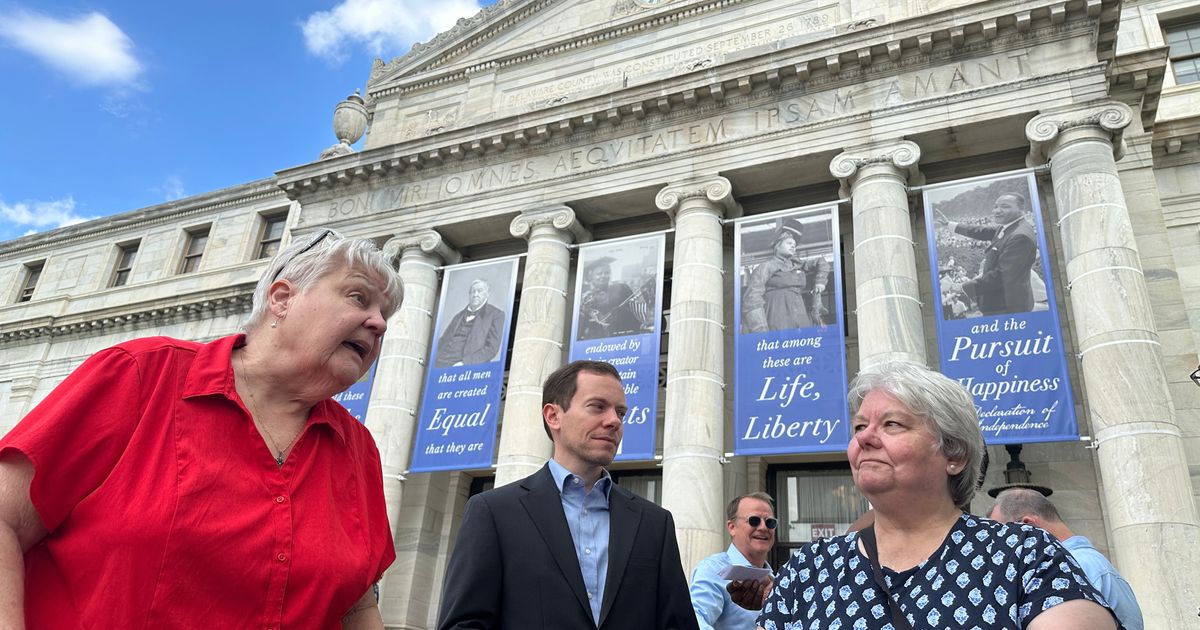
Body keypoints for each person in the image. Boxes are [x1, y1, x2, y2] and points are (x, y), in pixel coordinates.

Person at [0, 229, 403, 628]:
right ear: (282, 298)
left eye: (385, 314)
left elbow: (357, 606)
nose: (379, 324)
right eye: (358, 298)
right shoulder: (141, 374)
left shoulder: (359, 448)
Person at [731, 362, 1120, 630]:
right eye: (860, 425)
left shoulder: (1025, 554)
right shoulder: (810, 568)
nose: (864, 437)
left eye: (892, 424)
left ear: (954, 454)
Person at [437, 360, 698, 630]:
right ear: (553, 416)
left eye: (620, 412)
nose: (614, 421)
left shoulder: (654, 523)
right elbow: (465, 624)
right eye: (598, 407)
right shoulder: (493, 512)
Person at [990, 488, 1144, 630]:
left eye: (1005, 536)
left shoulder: (1075, 567)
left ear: (1028, 526)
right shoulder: (1089, 565)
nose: (1001, 548)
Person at [936, 192, 1037, 316]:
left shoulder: (1020, 236)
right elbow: (982, 231)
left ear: (1021, 209)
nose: (997, 210)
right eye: (995, 206)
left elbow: (1001, 276)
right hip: (1003, 303)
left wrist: (960, 287)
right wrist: (951, 225)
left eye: (1005, 206)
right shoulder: (1009, 226)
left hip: (1007, 308)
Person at [691, 492, 777, 630]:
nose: (763, 527)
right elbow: (695, 620)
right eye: (754, 520)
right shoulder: (713, 569)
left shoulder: (778, 580)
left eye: (770, 522)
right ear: (731, 527)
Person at [742, 219, 830, 333]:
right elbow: (752, 298)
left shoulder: (797, 265)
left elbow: (821, 263)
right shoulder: (766, 267)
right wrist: (761, 330)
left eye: (794, 245)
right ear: (777, 246)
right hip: (777, 316)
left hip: (800, 316)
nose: (793, 246)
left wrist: (820, 281)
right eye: (789, 243)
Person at [434, 278, 505, 367]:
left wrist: (465, 363)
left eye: (479, 291)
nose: (475, 294)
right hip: (440, 362)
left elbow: (491, 348)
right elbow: (443, 340)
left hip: (464, 367)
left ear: (487, 294)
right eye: (473, 291)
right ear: (469, 295)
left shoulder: (496, 315)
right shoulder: (458, 316)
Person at [578, 257, 644, 340]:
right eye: (599, 274)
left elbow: (635, 309)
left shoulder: (621, 289)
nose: (603, 276)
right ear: (591, 276)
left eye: (606, 273)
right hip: (598, 341)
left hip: (626, 336)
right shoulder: (587, 297)